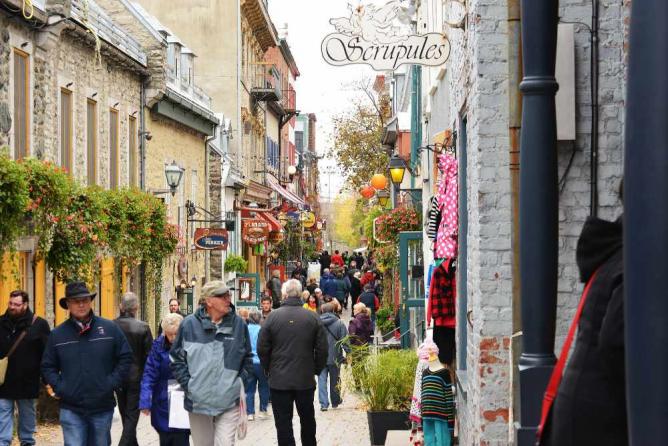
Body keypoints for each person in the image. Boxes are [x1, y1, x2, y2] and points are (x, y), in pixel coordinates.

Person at [541, 214, 625, 446]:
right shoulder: (634, 262)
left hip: (582, 414)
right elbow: (614, 344)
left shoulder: (612, 257)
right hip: (599, 423)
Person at [42, 281, 133, 446]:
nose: (81, 304)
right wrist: (61, 387)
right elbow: (48, 366)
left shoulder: (109, 329)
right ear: (68, 304)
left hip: (102, 406)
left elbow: (126, 357)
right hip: (71, 407)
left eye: (85, 299)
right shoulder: (57, 335)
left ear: (90, 301)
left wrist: (110, 382)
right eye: (76, 301)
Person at [170, 281, 253, 446]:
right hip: (198, 402)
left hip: (229, 401)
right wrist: (190, 386)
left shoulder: (238, 325)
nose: (228, 299)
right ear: (209, 301)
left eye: (228, 295)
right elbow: (176, 359)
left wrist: (238, 383)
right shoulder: (189, 325)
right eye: (222, 296)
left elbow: (248, 358)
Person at [258, 279, 328, 446]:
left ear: (284, 294)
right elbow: (322, 349)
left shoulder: (272, 317)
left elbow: (262, 348)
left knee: (283, 423)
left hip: (279, 380)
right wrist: (315, 369)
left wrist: (269, 369)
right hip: (304, 378)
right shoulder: (312, 317)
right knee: (308, 420)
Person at [0, 290, 50, 446]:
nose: (12, 307)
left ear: (25, 305)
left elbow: (46, 355)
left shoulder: (39, 324)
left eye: (17, 304)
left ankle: (27, 442)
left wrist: (48, 380)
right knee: (3, 415)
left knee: (27, 418)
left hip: (27, 382)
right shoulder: (1, 323)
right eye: (10, 303)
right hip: (3, 381)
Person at [139, 313, 190, 445]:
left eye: (175, 334)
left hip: (183, 399)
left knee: (181, 439)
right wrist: (145, 400)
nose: (173, 338)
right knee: (165, 438)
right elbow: (149, 373)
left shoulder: (190, 345)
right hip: (162, 400)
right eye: (169, 334)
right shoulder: (157, 346)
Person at [114, 292, 154, 446]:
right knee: (130, 417)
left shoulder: (111, 326)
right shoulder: (143, 327)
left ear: (121, 307)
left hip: (118, 376)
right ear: (136, 307)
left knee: (126, 415)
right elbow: (149, 356)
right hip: (136, 377)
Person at [318, 303, 349, 411]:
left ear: (322, 310)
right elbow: (345, 340)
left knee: (321, 380)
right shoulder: (339, 323)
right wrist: (348, 353)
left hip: (320, 356)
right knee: (335, 379)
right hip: (335, 356)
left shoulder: (316, 323)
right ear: (333, 311)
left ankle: (323, 404)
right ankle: (335, 402)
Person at [245, 310, 269, 421]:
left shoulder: (245, 329)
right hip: (260, 362)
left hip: (248, 362)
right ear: (259, 319)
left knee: (249, 389)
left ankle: (250, 413)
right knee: (264, 387)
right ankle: (263, 411)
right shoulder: (261, 330)